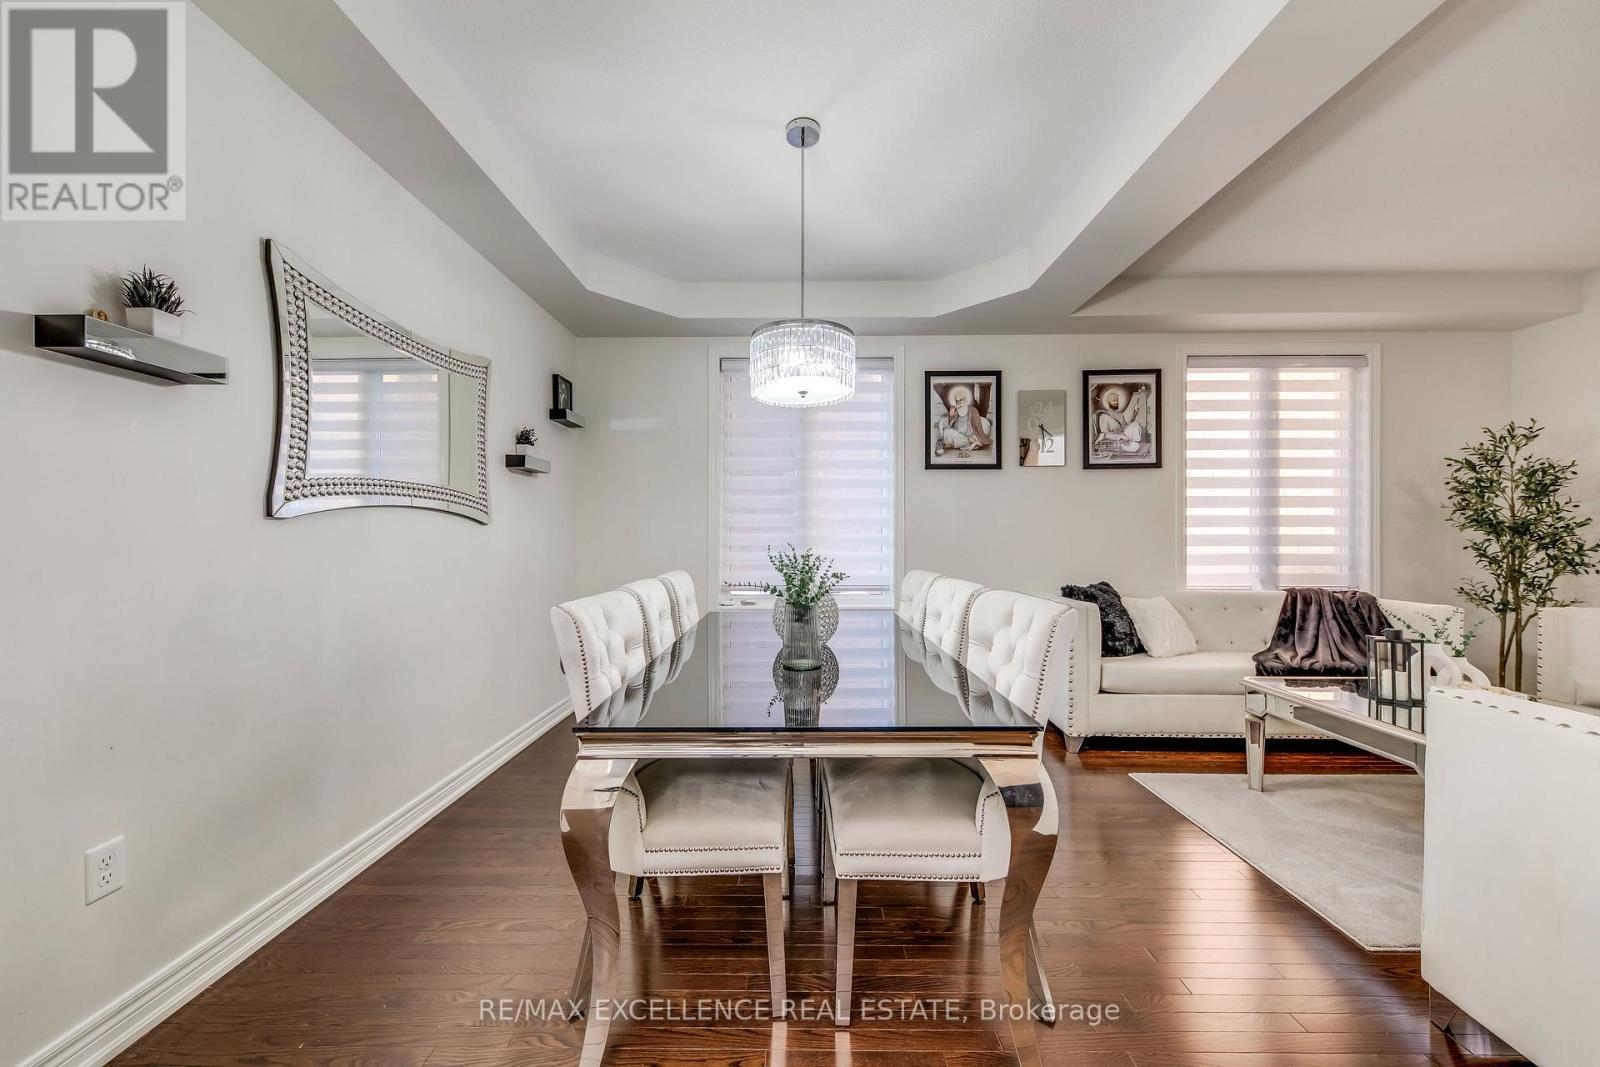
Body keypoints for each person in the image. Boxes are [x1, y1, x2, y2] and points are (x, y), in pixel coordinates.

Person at [935, 384, 992, 455]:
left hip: (972, 434)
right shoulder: (955, 412)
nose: (959, 403)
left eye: (961, 400)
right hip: (962, 435)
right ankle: (970, 443)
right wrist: (951, 416)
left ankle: (970, 442)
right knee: (947, 432)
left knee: (984, 425)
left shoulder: (973, 410)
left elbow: (979, 426)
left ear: (965, 400)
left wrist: (974, 437)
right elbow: (951, 426)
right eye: (957, 401)